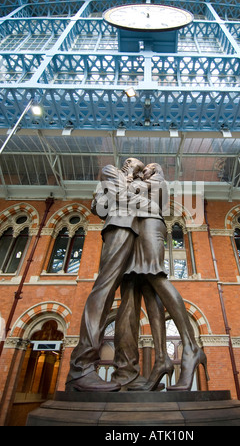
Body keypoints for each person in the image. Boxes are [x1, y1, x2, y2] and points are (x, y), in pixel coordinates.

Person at [114, 163, 209, 391]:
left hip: (150, 228)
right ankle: (161, 359)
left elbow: (127, 196)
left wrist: (130, 177)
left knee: (155, 276)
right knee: (148, 287)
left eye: (144, 167)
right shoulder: (144, 183)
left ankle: (190, 347)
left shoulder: (155, 181)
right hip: (139, 231)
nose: (140, 169)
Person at [65, 158, 147, 392]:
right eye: (137, 167)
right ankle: (81, 367)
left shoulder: (134, 182)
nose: (138, 172)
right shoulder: (111, 171)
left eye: (142, 171)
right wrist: (146, 197)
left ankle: (126, 372)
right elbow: (121, 198)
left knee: (131, 302)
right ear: (127, 164)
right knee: (104, 289)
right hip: (119, 227)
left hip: (140, 237)